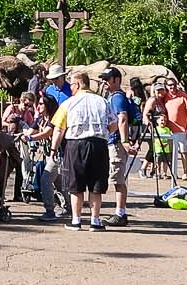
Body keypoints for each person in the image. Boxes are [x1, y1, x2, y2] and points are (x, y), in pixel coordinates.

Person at [52, 70, 112, 230]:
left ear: (77, 84)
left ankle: (76, 221)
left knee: (76, 185)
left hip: (75, 145)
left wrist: (53, 149)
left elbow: (59, 129)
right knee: (96, 185)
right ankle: (95, 221)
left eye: (71, 84)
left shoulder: (68, 103)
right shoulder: (102, 102)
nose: (70, 87)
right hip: (98, 144)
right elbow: (113, 125)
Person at [100, 67, 137, 226]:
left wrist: (124, 141)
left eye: (107, 79)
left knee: (118, 179)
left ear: (116, 80)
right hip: (114, 141)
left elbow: (122, 118)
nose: (104, 82)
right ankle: (119, 212)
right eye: (103, 79)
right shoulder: (113, 96)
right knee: (117, 178)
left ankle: (120, 213)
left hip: (116, 142)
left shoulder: (117, 98)